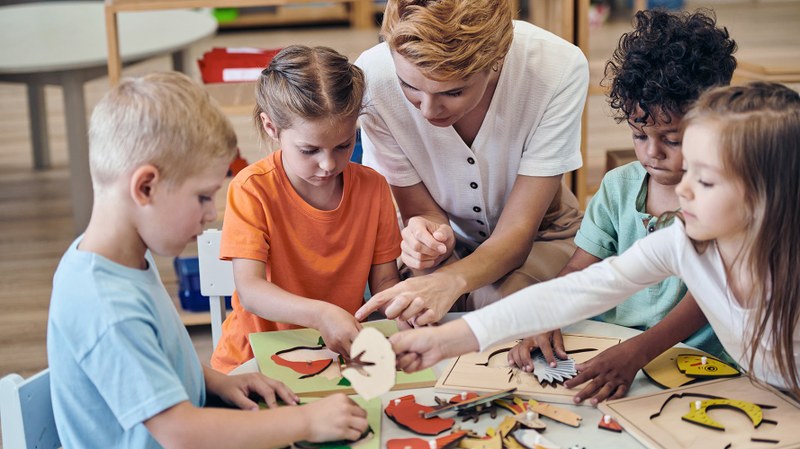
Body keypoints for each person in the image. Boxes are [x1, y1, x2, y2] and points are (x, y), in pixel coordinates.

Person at [389, 82, 800, 402]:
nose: (684, 190)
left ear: (767, 194)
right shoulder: (683, 242)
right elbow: (579, 291)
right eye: (687, 169)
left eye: (705, 180)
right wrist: (441, 341)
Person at [47, 71, 369, 449]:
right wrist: (306, 422)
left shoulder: (117, 262)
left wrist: (218, 381)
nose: (210, 214)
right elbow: (181, 433)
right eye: (203, 197)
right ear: (145, 187)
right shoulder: (106, 305)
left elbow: (155, 360)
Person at [506, 9, 738, 404]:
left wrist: (638, 352)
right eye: (638, 134)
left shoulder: (725, 197)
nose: (652, 153)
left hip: (693, 360)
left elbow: (705, 297)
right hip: (612, 345)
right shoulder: (618, 187)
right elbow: (581, 267)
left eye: (673, 139)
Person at [353, 0, 588, 326]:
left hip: (541, 237)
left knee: (504, 310)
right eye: (409, 86)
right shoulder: (374, 78)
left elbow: (518, 233)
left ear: (497, 59)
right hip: (447, 250)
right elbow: (420, 213)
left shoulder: (557, 67)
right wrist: (427, 237)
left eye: (453, 92)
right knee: (413, 315)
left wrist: (449, 282)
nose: (428, 111)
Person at [210, 45, 402, 373]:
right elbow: (252, 290)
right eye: (309, 150)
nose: (329, 164)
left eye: (344, 145)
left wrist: (402, 310)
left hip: (337, 359)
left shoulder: (374, 188)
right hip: (251, 364)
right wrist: (321, 314)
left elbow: (385, 283)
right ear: (272, 128)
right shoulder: (251, 189)